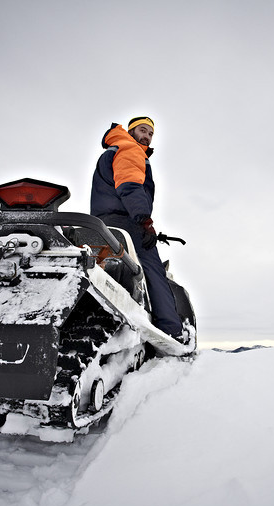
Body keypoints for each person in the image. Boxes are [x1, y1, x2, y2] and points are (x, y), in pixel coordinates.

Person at [90, 116, 184, 340]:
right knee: (153, 269)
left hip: (103, 222)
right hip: (127, 220)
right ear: (131, 131)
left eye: (151, 134)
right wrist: (145, 222)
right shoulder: (131, 149)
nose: (147, 137)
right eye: (142, 130)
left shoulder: (113, 150)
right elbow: (130, 187)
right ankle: (172, 331)